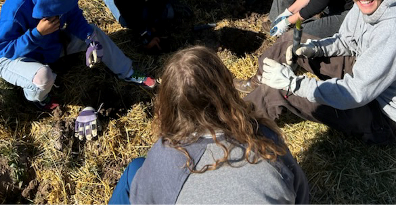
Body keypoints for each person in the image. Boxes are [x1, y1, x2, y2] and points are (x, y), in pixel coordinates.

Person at [109, 45, 309, 205]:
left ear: (169, 104)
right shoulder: (263, 137)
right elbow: (300, 194)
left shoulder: (165, 152)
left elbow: (146, 198)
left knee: (136, 169)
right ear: (226, 90)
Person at [238, 0, 396, 146]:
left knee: (281, 90)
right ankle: (258, 83)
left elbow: (356, 92)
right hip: (366, 75)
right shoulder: (367, 4)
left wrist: (294, 84)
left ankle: (234, 127)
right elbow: (346, 41)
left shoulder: (392, 28)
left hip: (382, 115)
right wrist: (314, 48)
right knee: (291, 41)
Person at [0, 0, 155, 111]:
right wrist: (37, 33)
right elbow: (2, 50)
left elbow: (75, 19)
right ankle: (38, 98)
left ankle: (127, 71)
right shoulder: (14, 11)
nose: (56, 16)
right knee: (43, 77)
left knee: (94, 32)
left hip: (49, 44)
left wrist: (90, 41)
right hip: (12, 57)